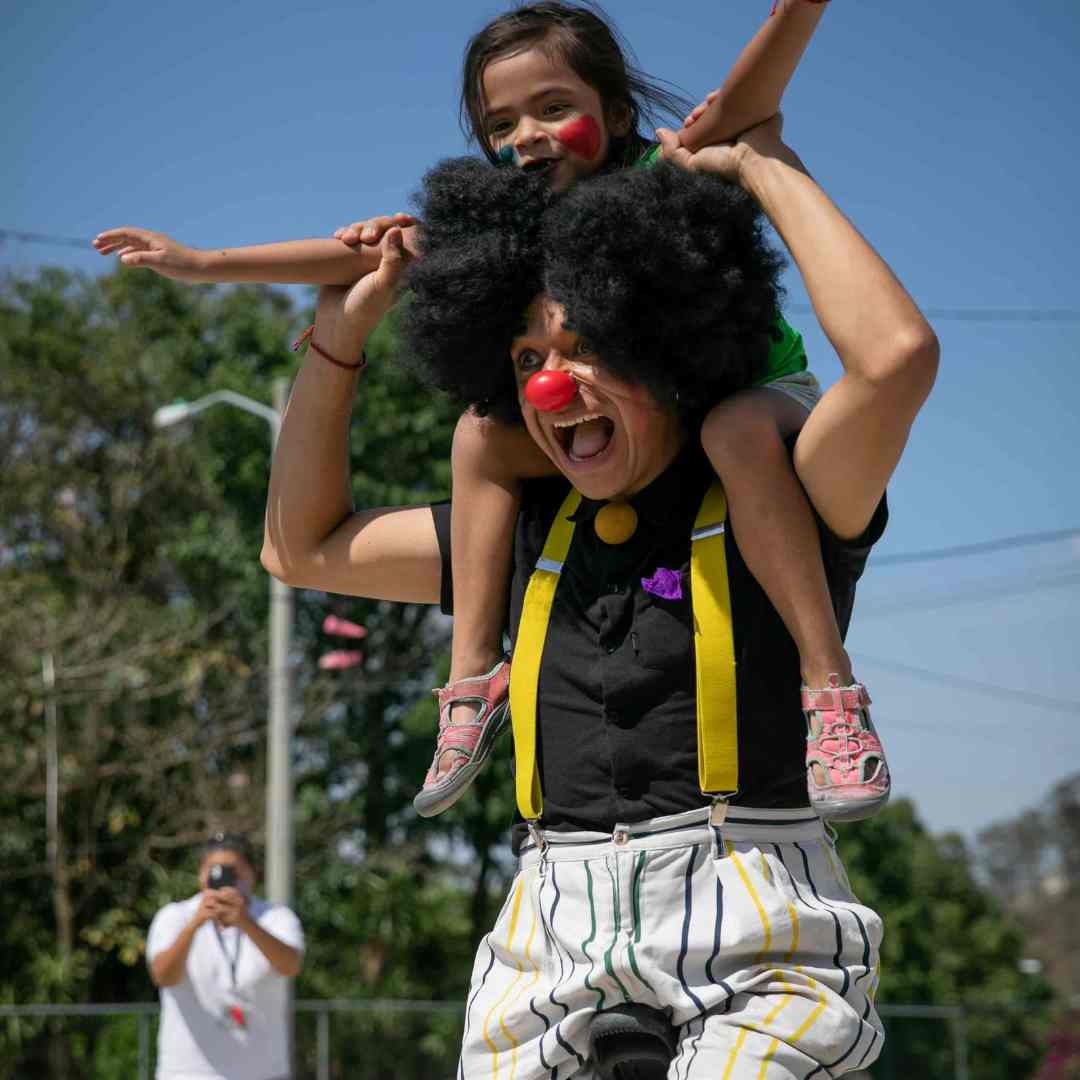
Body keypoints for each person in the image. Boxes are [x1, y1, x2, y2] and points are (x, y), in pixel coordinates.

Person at [259, 111, 938, 1076]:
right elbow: (301, 548)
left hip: (754, 928)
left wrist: (762, 164)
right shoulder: (522, 537)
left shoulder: (779, 493)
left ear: (662, 347)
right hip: (548, 937)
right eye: (526, 360)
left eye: (581, 349)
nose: (547, 387)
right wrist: (337, 342)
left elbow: (896, 359)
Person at [93, 1, 888, 823]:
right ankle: (473, 678)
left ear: (616, 113)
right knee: (480, 432)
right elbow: (368, 257)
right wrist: (204, 264)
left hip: (750, 409)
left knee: (734, 431)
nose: (526, 138)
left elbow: (745, 103)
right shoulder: (511, 224)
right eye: (500, 124)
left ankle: (828, 688)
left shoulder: (665, 170)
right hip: (644, 441)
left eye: (553, 108)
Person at [146, 832, 304, 1080]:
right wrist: (195, 924)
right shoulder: (175, 917)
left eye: (233, 872)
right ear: (201, 874)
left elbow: (290, 966)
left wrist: (246, 922)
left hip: (262, 1073)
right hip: (189, 1073)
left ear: (252, 874)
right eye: (214, 870)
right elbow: (163, 976)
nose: (223, 879)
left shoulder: (276, 918)